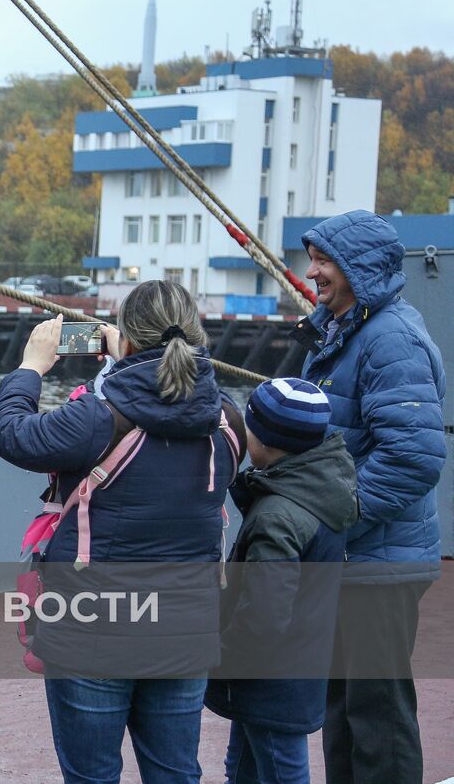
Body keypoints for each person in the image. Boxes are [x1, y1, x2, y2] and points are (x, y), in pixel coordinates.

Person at [0, 280, 242, 784]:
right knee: (175, 773)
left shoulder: (96, 420)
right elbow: (165, 402)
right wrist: (123, 361)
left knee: (93, 774)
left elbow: (11, 434)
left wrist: (31, 367)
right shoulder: (227, 418)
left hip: (92, 632)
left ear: (125, 336)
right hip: (185, 631)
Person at [293, 210, 446, 784]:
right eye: (314, 259)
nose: (313, 272)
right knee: (342, 709)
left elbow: (413, 459)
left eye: (325, 260)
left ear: (360, 268)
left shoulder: (391, 339)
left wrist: (332, 520)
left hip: (378, 560)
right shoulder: (347, 329)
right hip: (354, 556)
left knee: (377, 713)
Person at [204, 379, 358, 784]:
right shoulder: (327, 487)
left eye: (249, 431)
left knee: (281, 770)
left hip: (268, 679)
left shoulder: (277, 517)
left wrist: (217, 655)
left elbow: (264, 615)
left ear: (266, 443)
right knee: (244, 767)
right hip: (299, 665)